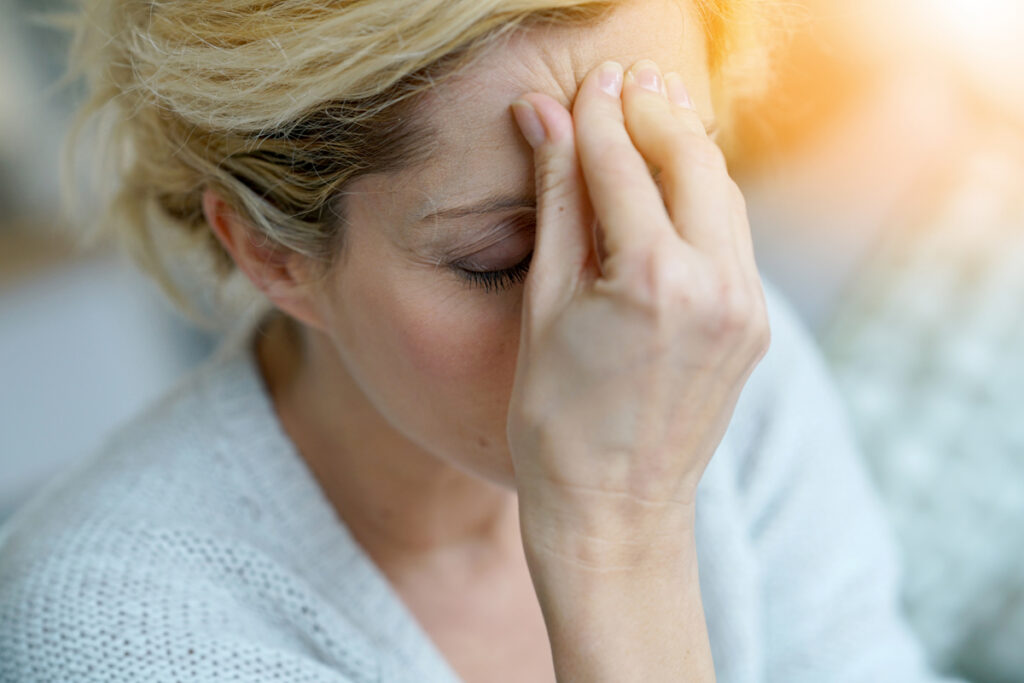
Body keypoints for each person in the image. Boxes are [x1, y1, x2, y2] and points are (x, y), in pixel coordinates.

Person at [0, 0, 960, 681]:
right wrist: (618, 532)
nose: (637, 303)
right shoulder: (109, 630)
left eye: (660, 184)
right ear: (270, 252)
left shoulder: (707, 331)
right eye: (504, 256)